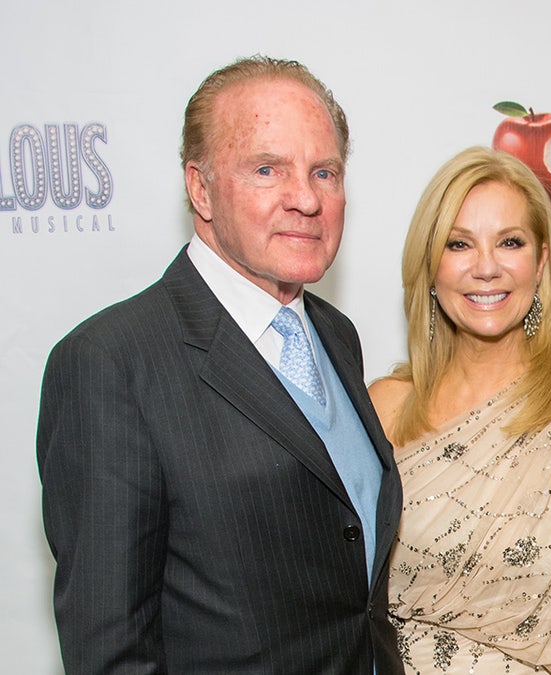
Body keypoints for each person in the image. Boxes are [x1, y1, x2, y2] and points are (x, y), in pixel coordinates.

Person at [36, 56, 404, 674]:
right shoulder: (110, 363)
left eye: (325, 172)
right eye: (267, 169)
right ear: (200, 188)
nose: (307, 199)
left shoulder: (335, 334)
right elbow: (111, 652)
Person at [369, 147, 551, 675]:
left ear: (541, 261)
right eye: (458, 244)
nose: (486, 268)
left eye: (509, 242)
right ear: (429, 265)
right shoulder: (385, 406)